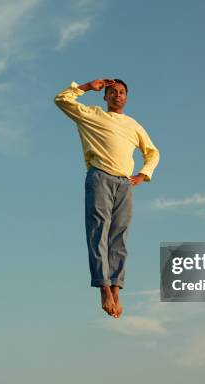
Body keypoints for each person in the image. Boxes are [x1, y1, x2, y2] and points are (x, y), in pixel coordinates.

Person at [54, 78, 160, 318]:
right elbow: (61, 100)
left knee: (119, 235)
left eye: (122, 92)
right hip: (100, 177)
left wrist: (143, 175)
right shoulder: (92, 115)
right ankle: (103, 287)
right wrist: (87, 87)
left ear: (127, 97)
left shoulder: (133, 125)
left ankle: (116, 287)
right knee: (98, 230)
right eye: (112, 92)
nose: (117, 95)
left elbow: (153, 153)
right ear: (105, 96)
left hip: (124, 183)